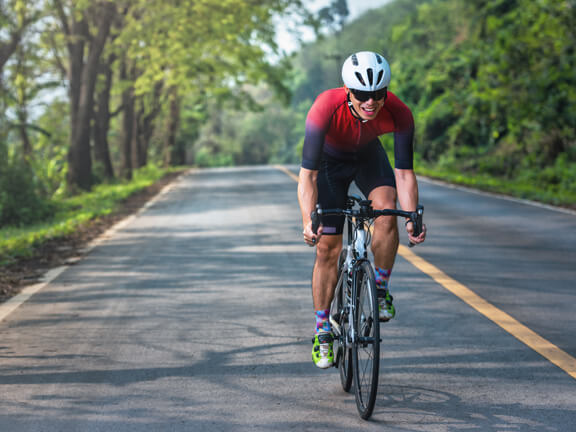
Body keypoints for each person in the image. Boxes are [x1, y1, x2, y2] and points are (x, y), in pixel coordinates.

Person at [297, 51, 427, 369]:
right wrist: (307, 219)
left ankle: (380, 287)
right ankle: (322, 329)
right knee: (328, 248)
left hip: (368, 157)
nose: (371, 102)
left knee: (387, 210)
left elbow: (405, 174)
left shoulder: (399, 112)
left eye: (378, 95)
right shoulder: (324, 108)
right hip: (329, 165)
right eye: (362, 95)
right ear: (347, 91)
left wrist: (413, 217)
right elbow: (308, 176)